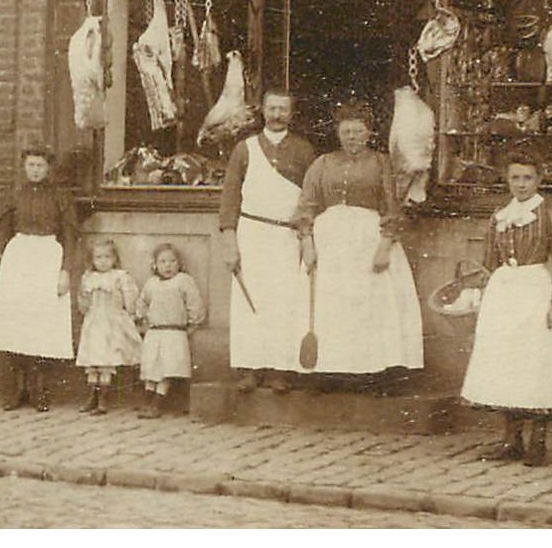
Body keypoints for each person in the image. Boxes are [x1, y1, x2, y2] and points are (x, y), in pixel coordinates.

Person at [460, 150, 552, 466]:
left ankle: (538, 442)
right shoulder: (500, 215)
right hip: (504, 294)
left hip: (534, 292)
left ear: (539, 179)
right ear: (507, 180)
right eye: (515, 177)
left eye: (527, 178)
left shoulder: (551, 213)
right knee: (506, 363)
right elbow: (488, 263)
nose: (521, 184)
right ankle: (511, 439)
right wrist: (478, 294)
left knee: (535, 363)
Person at [295, 101, 424, 379]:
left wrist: (386, 244)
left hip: (368, 239)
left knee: (368, 303)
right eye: (346, 132)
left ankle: (370, 371)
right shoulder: (323, 163)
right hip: (330, 242)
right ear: (338, 134)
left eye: (358, 131)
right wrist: (307, 241)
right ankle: (331, 370)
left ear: (369, 133)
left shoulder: (380, 163)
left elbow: (391, 206)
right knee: (333, 304)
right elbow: (307, 204)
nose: (352, 137)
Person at [218, 89, 317, 393]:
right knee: (250, 302)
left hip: (287, 236)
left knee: (284, 301)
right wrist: (229, 240)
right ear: (262, 110)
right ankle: (250, 368)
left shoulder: (303, 150)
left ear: (291, 113)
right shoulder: (244, 149)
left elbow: (310, 198)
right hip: (251, 234)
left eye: (283, 109)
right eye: (272, 108)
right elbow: (231, 196)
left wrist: (306, 237)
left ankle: (280, 369)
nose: (276, 114)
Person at [0, 143, 79, 412]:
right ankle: (17, 388)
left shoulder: (60, 196)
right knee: (15, 322)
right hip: (18, 258)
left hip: (47, 257)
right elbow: (1, 234)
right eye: (31, 165)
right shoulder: (15, 196)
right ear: (24, 167)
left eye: (40, 165)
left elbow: (70, 236)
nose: (35, 170)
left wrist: (66, 271)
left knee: (41, 323)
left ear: (49, 168)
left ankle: (39, 388)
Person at [135, 242, 205, 418]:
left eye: (172, 261)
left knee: (168, 368)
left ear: (179, 264)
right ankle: (147, 401)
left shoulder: (184, 281)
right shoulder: (151, 283)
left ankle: (157, 404)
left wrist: (193, 324)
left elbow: (194, 303)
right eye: (163, 261)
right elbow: (142, 302)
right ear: (155, 265)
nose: (167, 266)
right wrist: (141, 319)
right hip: (155, 332)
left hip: (174, 333)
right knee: (151, 368)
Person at [74, 238, 142, 415]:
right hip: (94, 322)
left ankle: (103, 399)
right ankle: (92, 397)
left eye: (107, 257)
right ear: (92, 260)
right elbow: (82, 304)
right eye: (98, 257)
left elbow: (130, 300)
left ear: (114, 259)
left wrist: (129, 312)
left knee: (106, 360)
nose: (103, 261)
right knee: (92, 360)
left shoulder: (120, 277)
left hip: (111, 323)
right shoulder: (89, 278)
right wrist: (85, 299)